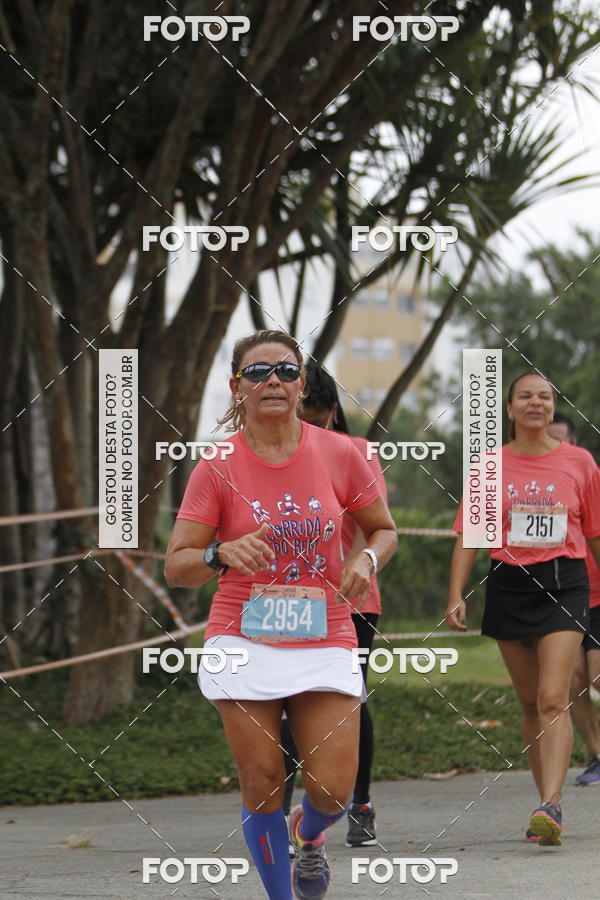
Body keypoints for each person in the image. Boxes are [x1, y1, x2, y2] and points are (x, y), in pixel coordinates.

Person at [165, 330, 397, 900]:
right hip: (242, 632)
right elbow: (178, 566)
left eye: (287, 371)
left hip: (326, 631)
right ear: (236, 388)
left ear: (302, 385)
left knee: (334, 790)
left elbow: (383, 530)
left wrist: (366, 558)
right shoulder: (215, 465)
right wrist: (220, 553)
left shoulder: (343, 453)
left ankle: (310, 837)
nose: (273, 380)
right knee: (264, 779)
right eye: (257, 372)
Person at [446, 371, 600, 846]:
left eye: (545, 396)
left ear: (553, 408)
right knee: (531, 702)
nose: (536, 403)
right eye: (525, 396)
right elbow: (471, 536)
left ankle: (550, 802)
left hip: (565, 582)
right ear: (510, 410)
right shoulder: (490, 467)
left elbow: (594, 533)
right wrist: (456, 593)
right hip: (509, 584)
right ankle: (545, 804)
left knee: (556, 696)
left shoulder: (580, 462)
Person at [280, 361, 389, 850]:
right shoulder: (264, 452)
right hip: (279, 600)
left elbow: (379, 527)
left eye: (322, 416)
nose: (314, 426)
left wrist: (360, 563)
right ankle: (276, 807)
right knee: (277, 702)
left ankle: (359, 803)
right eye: (308, 415)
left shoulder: (354, 451)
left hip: (350, 599)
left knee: (350, 701)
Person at [547, 412, 600, 786]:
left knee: (596, 676)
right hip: (559, 597)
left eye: (559, 442)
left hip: (596, 594)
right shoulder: (533, 489)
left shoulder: (589, 479)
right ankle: (597, 755)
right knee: (573, 682)